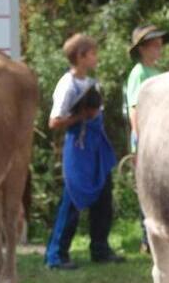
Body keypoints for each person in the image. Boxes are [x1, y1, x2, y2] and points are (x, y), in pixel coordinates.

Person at [44, 33, 121, 269]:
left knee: (103, 196)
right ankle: (56, 254)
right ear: (80, 56)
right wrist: (80, 116)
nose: (96, 58)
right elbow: (54, 122)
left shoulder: (91, 83)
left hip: (96, 146)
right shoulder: (67, 85)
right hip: (78, 148)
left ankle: (100, 248)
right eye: (92, 54)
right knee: (73, 198)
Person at [125, 24, 166, 251]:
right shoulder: (139, 73)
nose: (158, 48)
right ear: (142, 49)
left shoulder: (158, 73)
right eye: (153, 44)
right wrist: (139, 140)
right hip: (145, 139)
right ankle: (146, 238)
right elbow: (134, 107)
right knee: (146, 189)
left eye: (159, 43)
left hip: (159, 137)